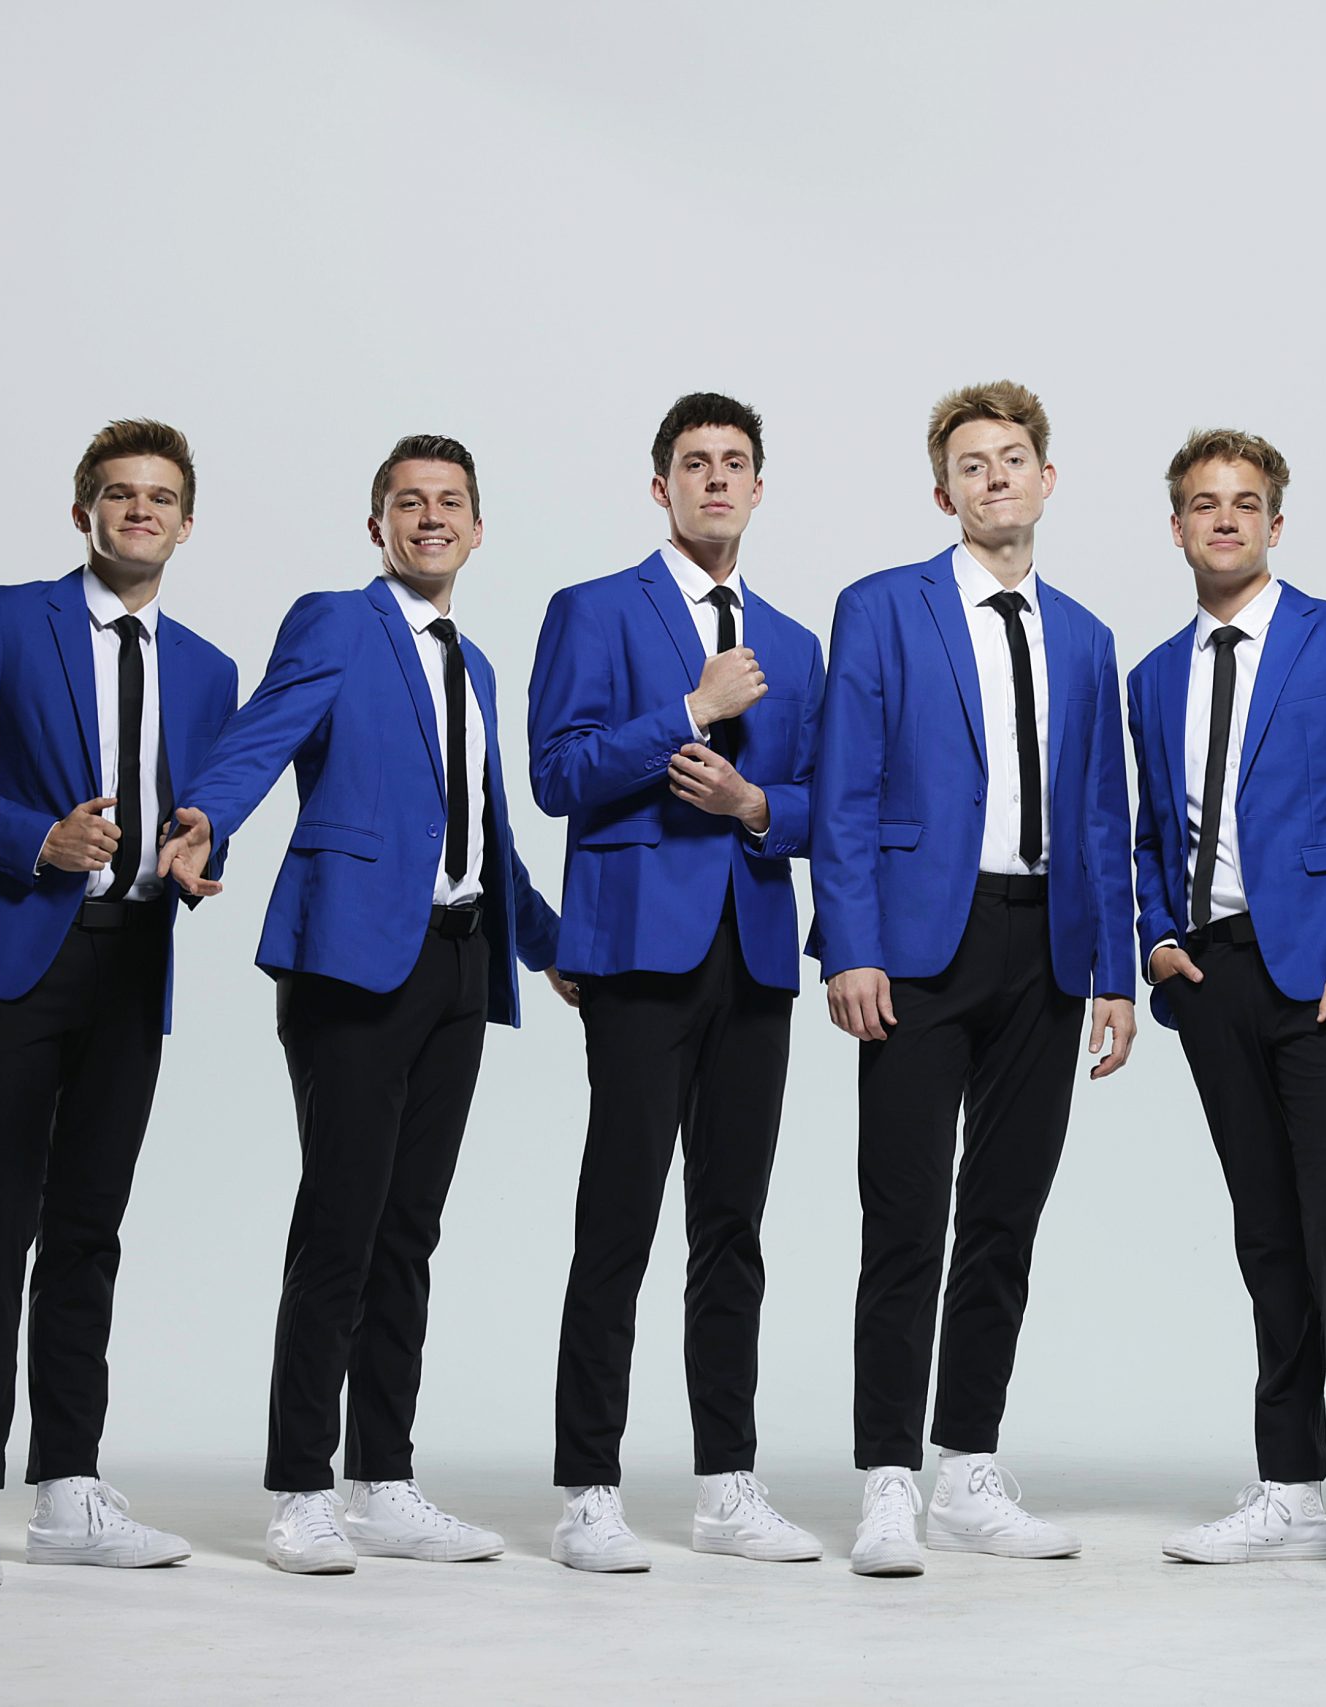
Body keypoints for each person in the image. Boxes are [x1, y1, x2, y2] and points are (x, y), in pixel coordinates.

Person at [159, 434, 569, 1575]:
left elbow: (485, 828)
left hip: (457, 963)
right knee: (340, 1223)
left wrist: (545, 944)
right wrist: (205, 818)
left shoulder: (473, 664)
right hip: (349, 959)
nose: (430, 518)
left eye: (450, 503)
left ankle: (382, 1479)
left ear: (479, 529)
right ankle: (300, 1488)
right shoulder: (337, 622)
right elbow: (260, 736)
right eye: (407, 503)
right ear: (376, 525)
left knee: (409, 1231)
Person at [0, 418, 237, 1588]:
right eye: (120, 494)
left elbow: (199, 807)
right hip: (11, 955)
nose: (141, 511)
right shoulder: (2, 618)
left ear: (186, 523)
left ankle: (71, 1489)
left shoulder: (207, 666)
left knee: (90, 1229)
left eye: (161, 497)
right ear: (83, 509)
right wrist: (34, 837)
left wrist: (200, 849)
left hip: (133, 959)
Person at [812, 380, 1137, 1576]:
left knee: (1003, 1217)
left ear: (1048, 480)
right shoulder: (884, 610)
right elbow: (843, 789)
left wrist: (1113, 968)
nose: (994, 477)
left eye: (1013, 458)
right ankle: (887, 1477)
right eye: (971, 462)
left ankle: (968, 1466)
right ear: (942, 491)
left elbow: (1104, 814)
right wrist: (847, 942)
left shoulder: (1088, 635)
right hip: (912, 947)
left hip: (1044, 947)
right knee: (902, 1217)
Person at [527, 393, 827, 1571]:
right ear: (660, 487)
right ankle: (589, 1489)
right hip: (636, 953)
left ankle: (726, 1484)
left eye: (734, 464)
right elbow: (558, 776)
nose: (715, 481)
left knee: (733, 1229)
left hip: (751, 952)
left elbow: (823, 807)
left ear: (758, 488)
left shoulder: (795, 644)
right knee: (618, 1219)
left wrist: (758, 806)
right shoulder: (594, 610)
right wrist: (688, 713)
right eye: (693, 465)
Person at [1128, 430, 1326, 1585]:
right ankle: (1290, 1483)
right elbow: (1148, 825)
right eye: (1202, 504)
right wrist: (1157, 938)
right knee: (1267, 1236)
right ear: (1176, 526)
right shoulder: (1154, 672)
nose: (1224, 520)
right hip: (1212, 979)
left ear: (1275, 523)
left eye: (1245, 503)